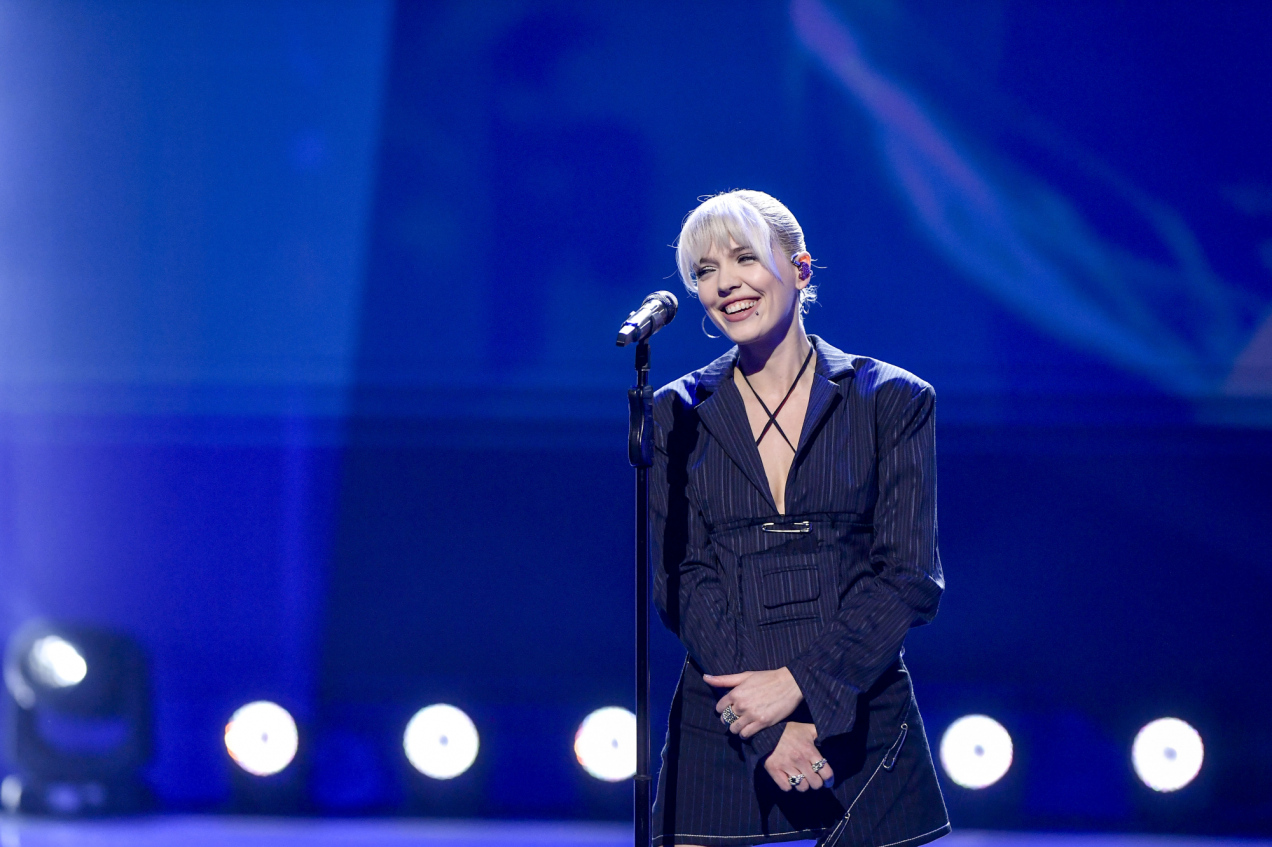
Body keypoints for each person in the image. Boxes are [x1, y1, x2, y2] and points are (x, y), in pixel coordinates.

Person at [650, 190, 950, 847]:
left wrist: (800, 688)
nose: (725, 283)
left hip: (860, 697)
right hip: (727, 709)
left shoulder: (892, 399)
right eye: (705, 270)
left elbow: (909, 576)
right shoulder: (676, 413)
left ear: (800, 269)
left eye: (745, 258)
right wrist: (763, 722)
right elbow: (683, 581)